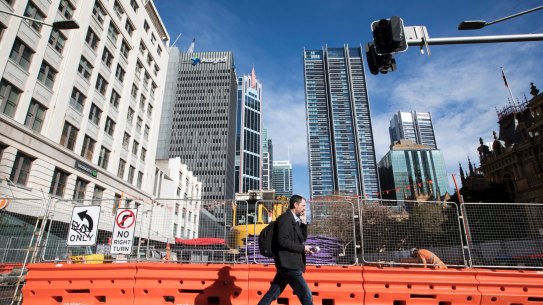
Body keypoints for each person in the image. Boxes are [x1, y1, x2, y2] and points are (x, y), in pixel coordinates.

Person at [258, 195, 314, 305]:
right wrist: (303, 248)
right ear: (295, 205)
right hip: (289, 264)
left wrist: (303, 223)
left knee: (272, 293)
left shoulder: (294, 220)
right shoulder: (285, 219)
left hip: (287, 263)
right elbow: (282, 241)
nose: (304, 208)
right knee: (306, 294)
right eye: (303, 205)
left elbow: (302, 238)